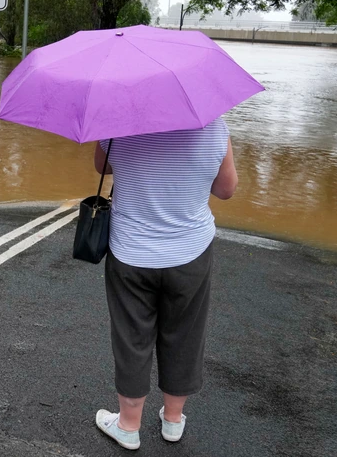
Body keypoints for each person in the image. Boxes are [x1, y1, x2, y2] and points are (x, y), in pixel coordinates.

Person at [92, 117, 238, 450]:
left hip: (130, 252)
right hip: (191, 252)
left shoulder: (119, 121)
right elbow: (227, 189)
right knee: (185, 333)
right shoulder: (214, 126)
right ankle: (172, 420)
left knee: (132, 338)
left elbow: (102, 166)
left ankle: (128, 426)